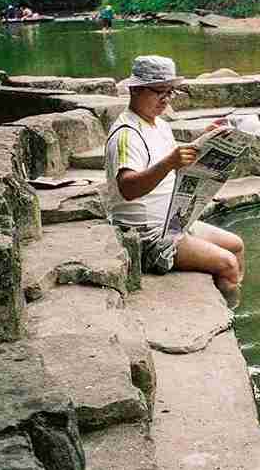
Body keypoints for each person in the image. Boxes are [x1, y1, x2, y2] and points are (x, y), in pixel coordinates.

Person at [104, 55, 244, 304]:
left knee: (236, 245)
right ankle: (233, 317)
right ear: (136, 89)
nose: (166, 99)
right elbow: (127, 187)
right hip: (147, 234)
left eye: (171, 92)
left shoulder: (159, 125)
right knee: (228, 264)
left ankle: (232, 297)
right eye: (159, 91)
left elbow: (173, 158)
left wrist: (206, 141)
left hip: (174, 222)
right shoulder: (126, 134)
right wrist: (169, 163)